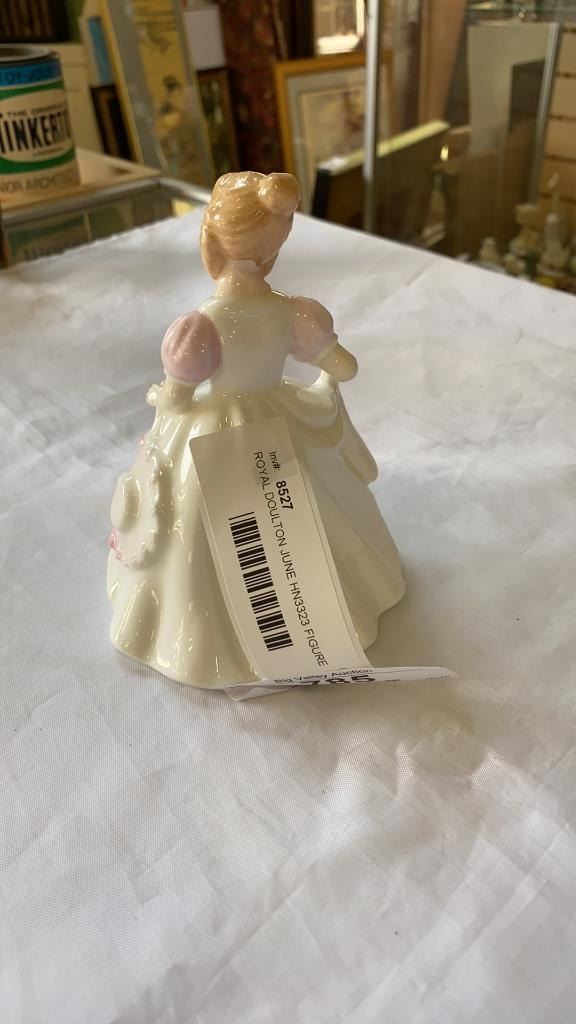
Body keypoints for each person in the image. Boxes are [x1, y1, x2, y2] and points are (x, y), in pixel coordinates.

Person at [108, 171, 405, 686]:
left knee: (198, 527)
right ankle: (314, 617)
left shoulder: (200, 325)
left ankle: (205, 636)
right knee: (304, 517)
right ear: (275, 246)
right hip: (278, 424)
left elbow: (178, 396)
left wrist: (164, 398)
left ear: (212, 236)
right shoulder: (294, 313)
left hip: (212, 431)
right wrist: (324, 377)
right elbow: (345, 367)